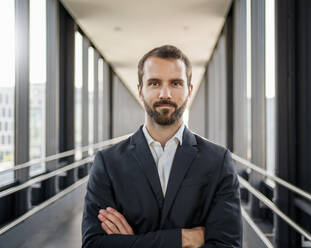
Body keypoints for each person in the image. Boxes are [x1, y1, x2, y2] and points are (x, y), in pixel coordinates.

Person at [82, 45, 242, 248]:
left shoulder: (218, 161)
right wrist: (183, 238)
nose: (165, 94)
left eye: (175, 83)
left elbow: (227, 245)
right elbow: (93, 244)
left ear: (189, 90)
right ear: (140, 91)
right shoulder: (107, 162)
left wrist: (131, 243)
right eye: (155, 83)